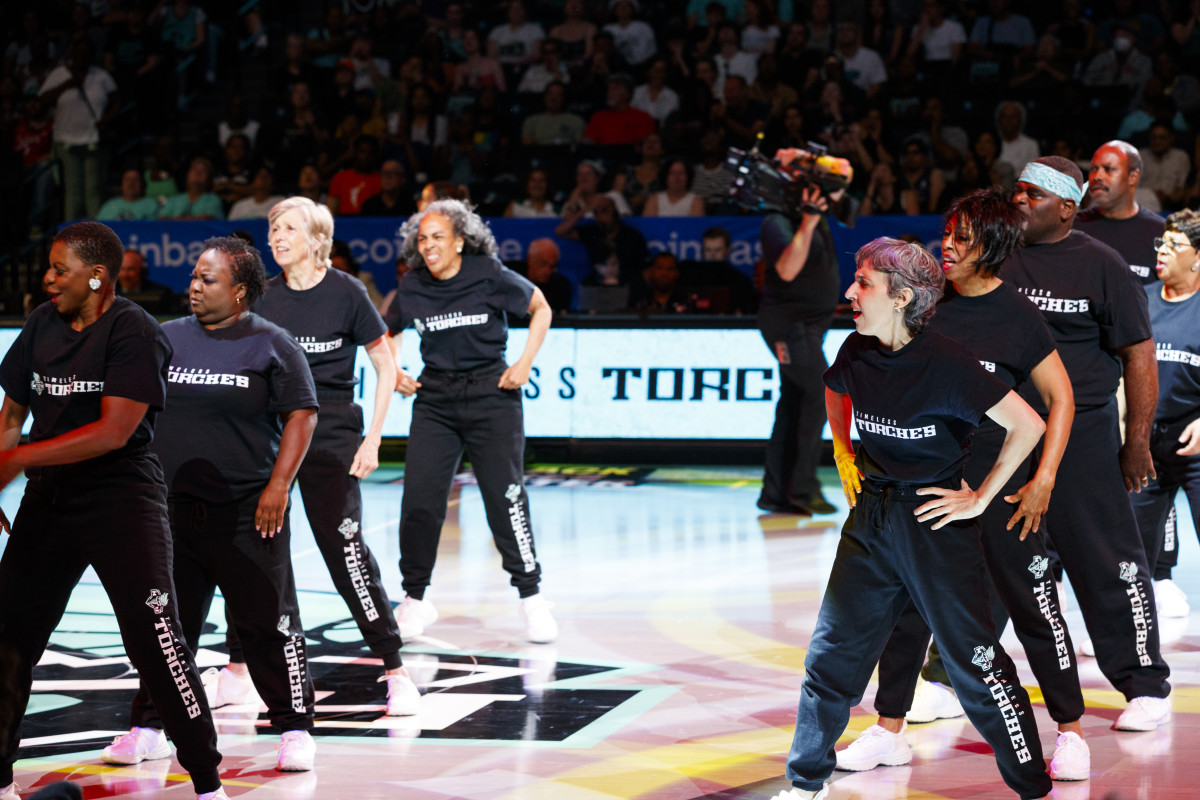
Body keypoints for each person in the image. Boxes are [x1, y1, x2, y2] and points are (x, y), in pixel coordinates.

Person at [772, 237, 1053, 800]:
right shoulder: (855, 349)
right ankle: (805, 785)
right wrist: (842, 452)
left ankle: (1033, 787)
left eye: (865, 283)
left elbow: (1029, 425)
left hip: (933, 523)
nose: (850, 292)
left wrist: (979, 497)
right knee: (831, 658)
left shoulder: (948, 363)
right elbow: (835, 392)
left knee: (976, 665)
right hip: (870, 519)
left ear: (901, 297)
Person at [831, 189, 1089, 781]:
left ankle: (1071, 731)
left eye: (964, 237)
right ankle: (888, 730)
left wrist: (1043, 477)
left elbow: (1060, 399)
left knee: (1034, 606)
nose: (948, 245)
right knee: (904, 613)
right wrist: (847, 453)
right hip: (928, 489)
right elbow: (850, 375)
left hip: (1000, 493)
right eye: (947, 232)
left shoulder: (1018, 317)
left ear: (994, 247)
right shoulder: (922, 303)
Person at [0, 222, 227, 800]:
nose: (47, 278)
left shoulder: (135, 331)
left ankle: (207, 782)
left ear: (97, 275)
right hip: (49, 498)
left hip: (120, 495)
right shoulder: (40, 325)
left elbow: (113, 431)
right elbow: (9, 415)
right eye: (47, 267)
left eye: (59, 268)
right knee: (9, 637)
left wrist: (19, 457)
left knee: (155, 638)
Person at [105, 237, 321, 774]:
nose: (194, 287)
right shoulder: (166, 338)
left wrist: (278, 487)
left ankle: (294, 725)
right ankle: (150, 725)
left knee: (267, 623)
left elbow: (302, 415)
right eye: (195, 277)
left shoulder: (273, 344)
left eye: (208, 279)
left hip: (249, 509)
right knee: (164, 625)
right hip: (169, 508)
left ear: (241, 291)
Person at [212, 197, 420, 716]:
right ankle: (239, 669)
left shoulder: (347, 291)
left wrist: (373, 438)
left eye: (288, 228)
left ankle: (395, 668)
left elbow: (383, 362)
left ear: (317, 238)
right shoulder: (264, 297)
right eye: (273, 228)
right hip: (273, 438)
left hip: (331, 438)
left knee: (344, 555)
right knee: (248, 553)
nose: (277, 236)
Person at [1002, 156, 1173, 730]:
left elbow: (1139, 355)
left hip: (1083, 434)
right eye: (1017, 190)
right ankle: (949, 674)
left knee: (1107, 560)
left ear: (1067, 207)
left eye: (1033, 193)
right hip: (1003, 437)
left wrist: (1137, 441)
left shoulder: (1102, 266)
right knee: (987, 560)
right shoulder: (996, 254)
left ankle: (1143, 683)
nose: (1019, 200)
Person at [385, 199, 557, 643]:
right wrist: (394, 371)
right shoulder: (413, 287)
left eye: (438, 236)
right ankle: (415, 599)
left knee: (506, 498)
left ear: (460, 240)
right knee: (419, 502)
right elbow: (386, 332)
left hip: (491, 396)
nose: (428, 245)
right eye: (422, 238)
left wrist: (524, 363)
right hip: (435, 399)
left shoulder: (489, 273)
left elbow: (541, 309)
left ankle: (531, 596)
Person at [756, 150, 842, 516]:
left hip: (807, 327)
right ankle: (801, 489)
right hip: (788, 326)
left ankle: (776, 492)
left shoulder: (815, 206)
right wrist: (807, 223)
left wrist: (811, 161)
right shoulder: (776, 220)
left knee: (792, 403)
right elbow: (788, 270)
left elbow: (844, 178)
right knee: (818, 393)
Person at [1130, 210, 1200, 619]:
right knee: (1130, 551)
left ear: (1197, 257)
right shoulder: (1141, 300)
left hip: (1194, 447)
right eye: (1162, 243)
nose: (1163, 252)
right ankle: (1130, 636)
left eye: (1175, 245)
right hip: (1144, 445)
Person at [1077, 140, 1164, 285]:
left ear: (1133, 177)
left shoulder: (1161, 232)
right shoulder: (1071, 227)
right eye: (1093, 169)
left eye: (1108, 169)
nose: (1097, 176)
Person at [117, 249, 178, 315]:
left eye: (131, 269)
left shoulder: (161, 294)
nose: (125, 275)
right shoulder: (108, 294)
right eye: (121, 269)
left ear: (142, 271)